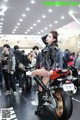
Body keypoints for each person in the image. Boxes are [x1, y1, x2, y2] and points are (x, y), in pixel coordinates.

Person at [26, 30, 59, 115]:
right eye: (47, 36)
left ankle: (47, 91)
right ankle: (39, 108)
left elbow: (55, 60)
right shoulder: (47, 45)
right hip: (45, 68)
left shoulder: (53, 47)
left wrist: (52, 69)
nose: (47, 38)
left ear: (54, 40)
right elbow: (42, 38)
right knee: (40, 89)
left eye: (50, 37)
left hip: (47, 69)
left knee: (33, 72)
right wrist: (50, 34)